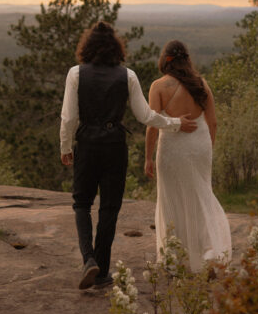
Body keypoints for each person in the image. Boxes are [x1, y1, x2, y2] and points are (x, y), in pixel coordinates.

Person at [60, 22, 197, 290]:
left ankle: (89, 260)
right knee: (110, 208)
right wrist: (176, 123)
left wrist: (65, 146)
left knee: (82, 204)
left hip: (87, 144)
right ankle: (101, 272)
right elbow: (145, 116)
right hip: (114, 145)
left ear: (86, 47)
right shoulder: (128, 76)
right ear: (116, 48)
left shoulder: (76, 74)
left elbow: (68, 117)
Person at [144, 39, 231, 272]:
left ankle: (176, 257)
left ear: (165, 60)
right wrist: (206, 150)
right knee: (201, 194)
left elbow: (152, 125)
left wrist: (148, 157)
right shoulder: (201, 84)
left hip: (173, 149)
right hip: (200, 145)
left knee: (172, 198)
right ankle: (209, 251)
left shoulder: (159, 86)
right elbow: (213, 122)